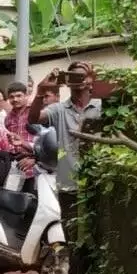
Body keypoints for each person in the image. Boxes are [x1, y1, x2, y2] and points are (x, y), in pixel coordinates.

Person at [28, 60, 101, 218]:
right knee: (70, 227)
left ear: (91, 79)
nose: (78, 79)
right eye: (73, 76)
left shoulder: (100, 107)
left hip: (97, 180)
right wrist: (41, 90)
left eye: (82, 75)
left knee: (97, 227)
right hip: (68, 182)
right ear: (67, 81)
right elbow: (33, 118)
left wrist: (98, 82)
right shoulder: (59, 109)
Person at [0, 81, 38, 193]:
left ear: (26, 95)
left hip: (33, 163)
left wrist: (36, 159)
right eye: (11, 97)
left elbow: (44, 141)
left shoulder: (35, 113)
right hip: (15, 165)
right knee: (15, 198)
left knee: (33, 198)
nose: (15, 99)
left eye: (19, 96)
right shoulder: (8, 118)